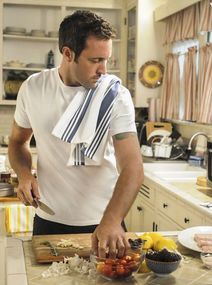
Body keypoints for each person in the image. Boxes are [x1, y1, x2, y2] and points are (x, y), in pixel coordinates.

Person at [8, 10, 143, 258]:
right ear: (68, 53)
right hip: (49, 219)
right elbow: (17, 143)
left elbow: (133, 166)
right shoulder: (33, 88)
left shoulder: (116, 95)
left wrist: (112, 220)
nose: (104, 70)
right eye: (95, 60)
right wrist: (25, 175)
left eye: (107, 60)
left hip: (105, 222)